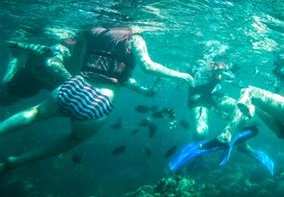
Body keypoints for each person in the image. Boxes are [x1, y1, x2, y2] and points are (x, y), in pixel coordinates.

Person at [0, 26, 194, 173]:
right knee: (73, 139)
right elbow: (147, 66)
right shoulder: (134, 37)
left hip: (72, 86)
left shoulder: (93, 31)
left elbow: (70, 50)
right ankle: (16, 161)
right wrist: (182, 76)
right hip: (98, 102)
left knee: (34, 113)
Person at [0, 39, 157, 106]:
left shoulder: (92, 60)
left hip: (40, 83)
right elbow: (49, 59)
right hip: (30, 78)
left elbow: (120, 78)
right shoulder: (59, 50)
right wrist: (18, 51)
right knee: (9, 91)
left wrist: (144, 91)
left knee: (11, 93)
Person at [216, 56, 284, 143]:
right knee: (249, 103)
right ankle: (240, 133)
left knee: (249, 92)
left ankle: (229, 133)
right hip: (283, 129)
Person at [187, 59, 240, 140]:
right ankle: (198, 142)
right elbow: (196, 86)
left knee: (242, 108)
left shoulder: (223, 71)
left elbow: (216, 88)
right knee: (200, 132)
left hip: (213, 98)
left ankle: (241, 142)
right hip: (198, 100)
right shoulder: (202, 67)